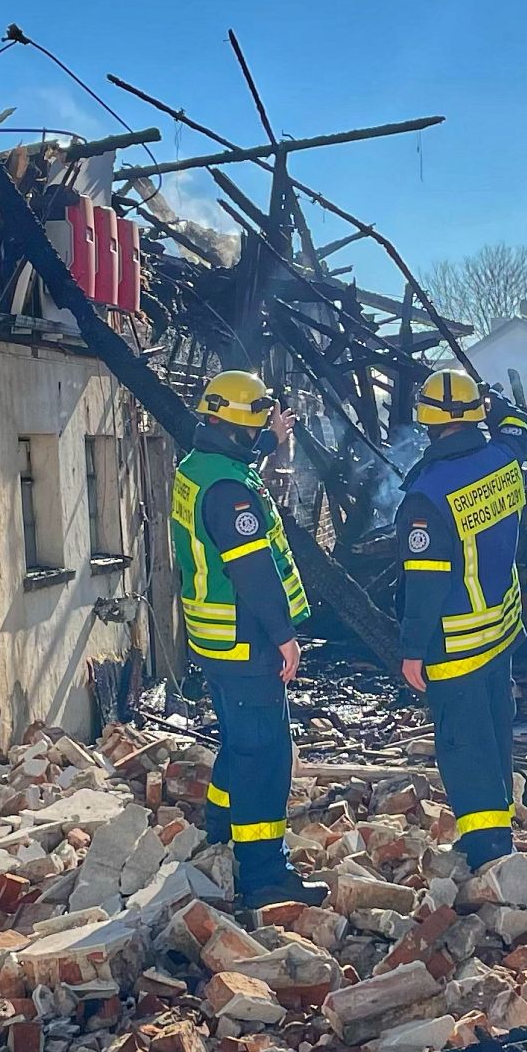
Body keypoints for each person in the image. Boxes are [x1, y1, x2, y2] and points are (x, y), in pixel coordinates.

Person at [170, 370, 325, 910]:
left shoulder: (201, 467)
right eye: (258, 423)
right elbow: (253, 571)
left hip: (215, 639)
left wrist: (271, 441)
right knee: (265, 753)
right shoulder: (232, 491)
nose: (266, 430)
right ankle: (263, 871)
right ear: (237, 427)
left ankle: (219, 828)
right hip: (246, 639)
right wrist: (283, 636)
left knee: (239, 739)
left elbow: (236, 461)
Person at [394, 369, 527, 869]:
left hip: (456, 642)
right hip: (501, 629)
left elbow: (425, 584)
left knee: (462, 743)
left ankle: (488, 846)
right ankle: (501, 820)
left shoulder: (427, 495)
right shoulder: (504, 457)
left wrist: (412, 648)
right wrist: (494, 405)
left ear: (426, 423)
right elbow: (520, 430)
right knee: (495, 730)